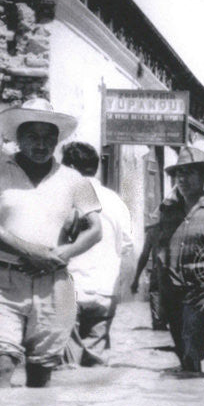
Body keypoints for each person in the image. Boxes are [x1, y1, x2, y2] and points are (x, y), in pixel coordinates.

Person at [0, 98, 102, 388]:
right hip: (0, 282)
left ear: (57, 140)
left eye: (48, 137)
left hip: (53, 283)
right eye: (32, 137)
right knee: (1, 365)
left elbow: (95, 229)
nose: (40, 145)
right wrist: (29, 251)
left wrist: (62, 253)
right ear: (18, 138)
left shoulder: (74, 179)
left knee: (41, 375)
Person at [155, 147, 204, 373]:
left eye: (189, 173)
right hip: (172, 293)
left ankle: (192, 397)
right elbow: (160, 251)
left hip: (201, 293)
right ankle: (187, 400)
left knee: (191, 351)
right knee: (184, 356)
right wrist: (158, 292)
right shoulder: (168, 211)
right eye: (179, 173)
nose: (182, 178)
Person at [61, 142, 133, 366]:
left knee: (67, 364)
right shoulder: (116, 201)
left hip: (69, 287)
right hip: (104, 289)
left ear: (70, 167)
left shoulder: (65, 198)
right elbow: (127, 246)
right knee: (97, 362)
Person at [130, 221, 168, 330]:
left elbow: (144, 255)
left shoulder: (153, 231)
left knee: (159, 323)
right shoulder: (182, 225)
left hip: (158, 273)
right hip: (177, 275)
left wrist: (136, 279)